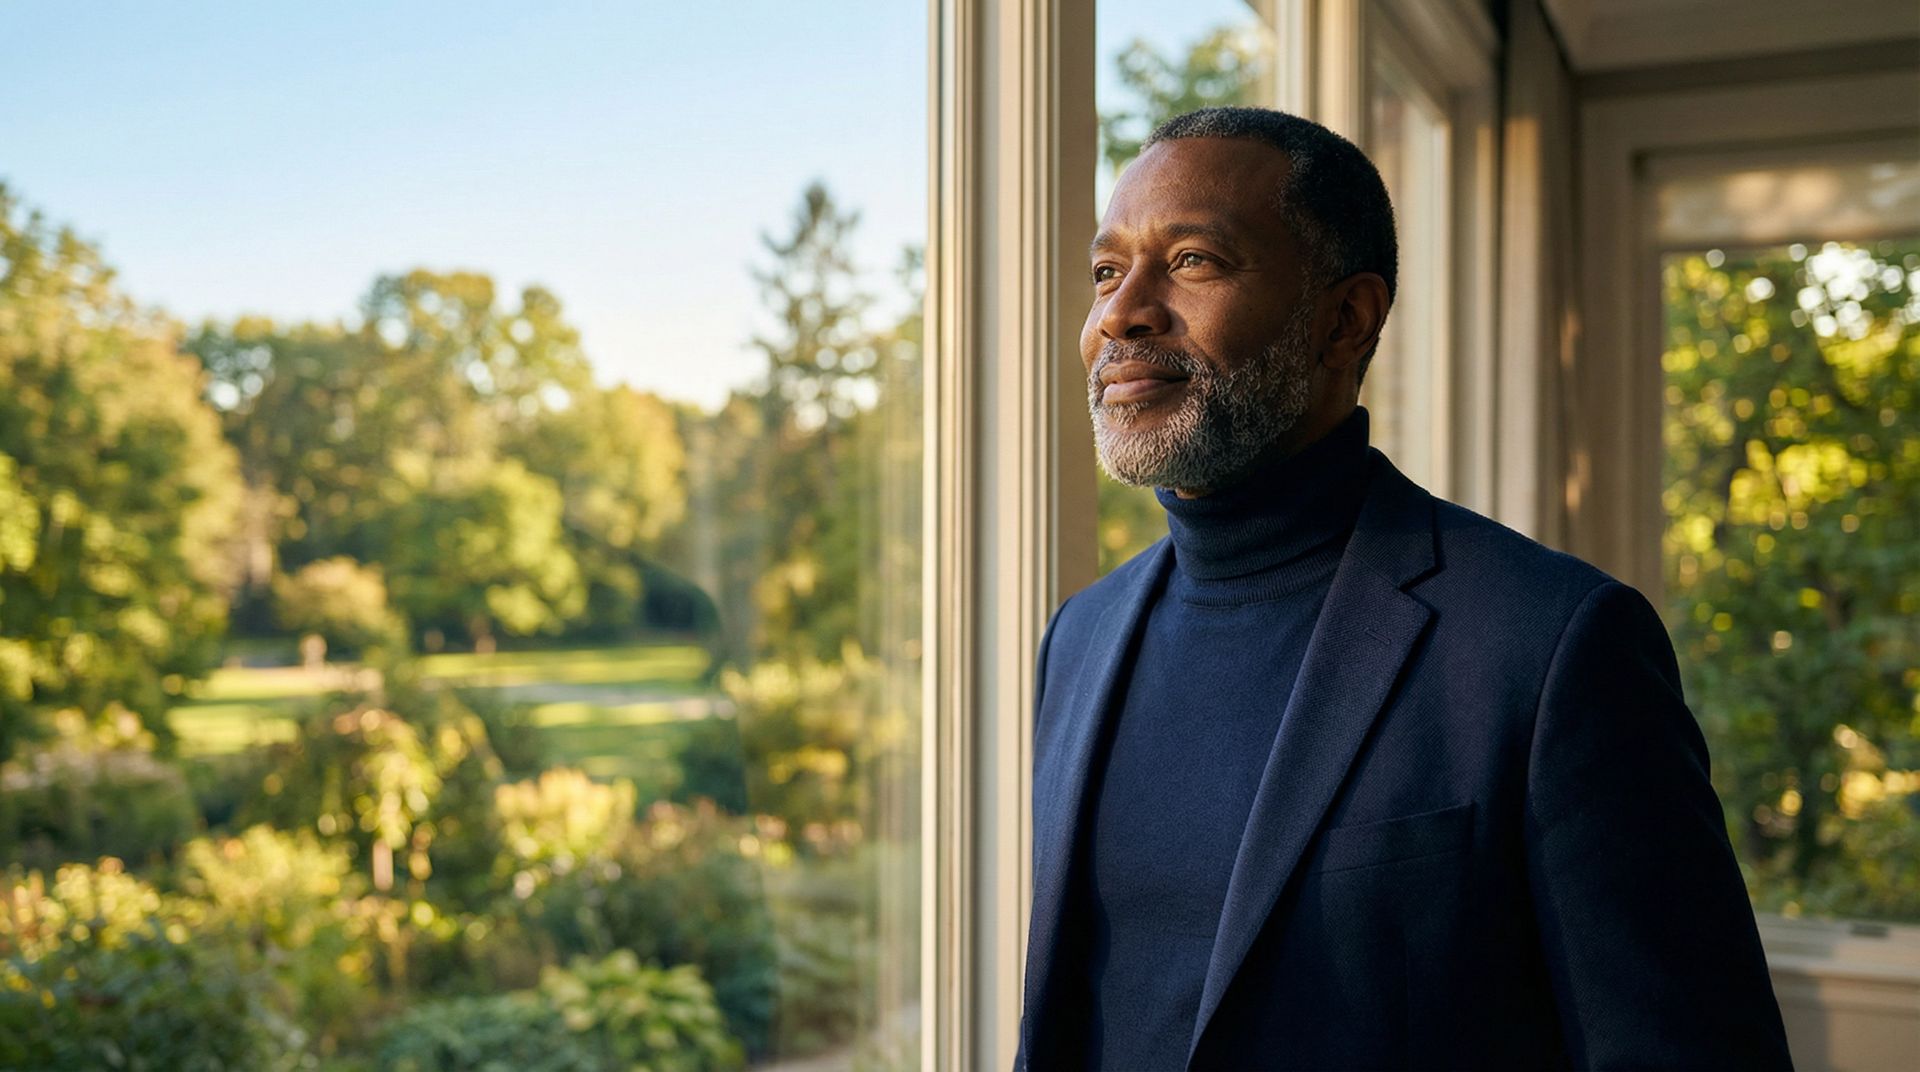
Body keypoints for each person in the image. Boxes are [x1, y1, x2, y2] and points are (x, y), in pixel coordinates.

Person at [1017, 107, 1791, 1070]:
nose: (1119, 313)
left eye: (1192, 262)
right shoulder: (1078, 639)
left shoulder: (1550, 645)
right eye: (1105, 271)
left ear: (1346, 320)